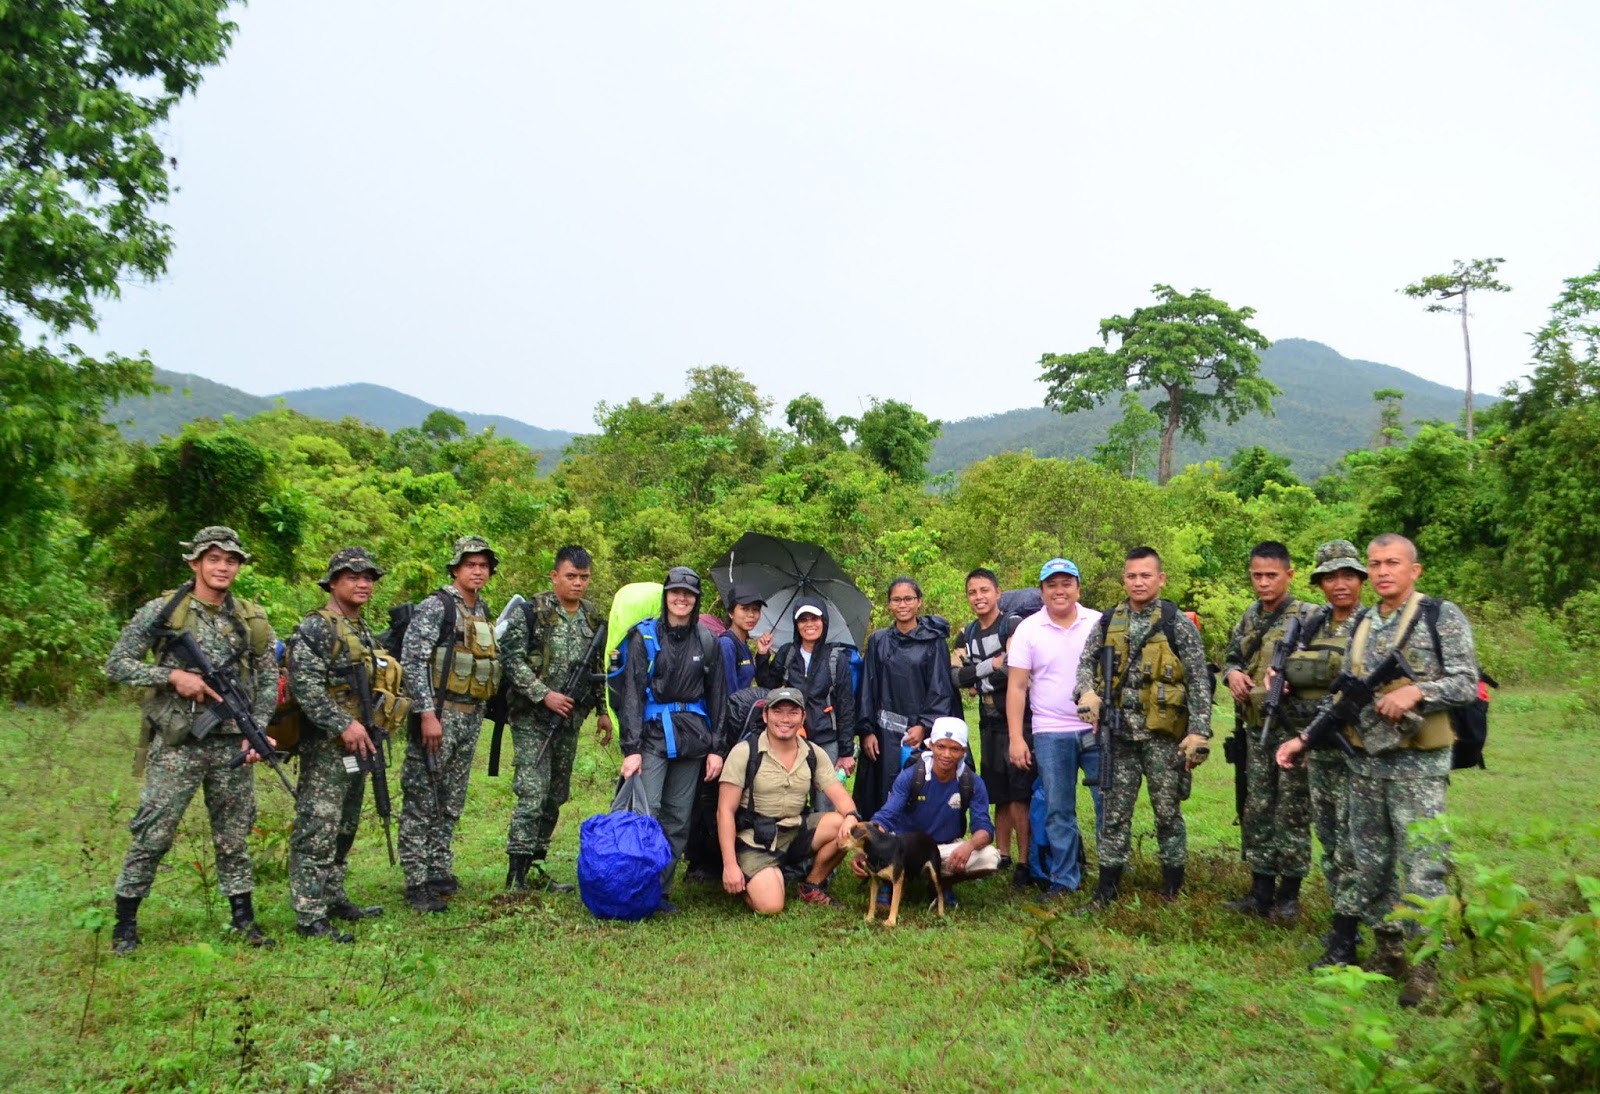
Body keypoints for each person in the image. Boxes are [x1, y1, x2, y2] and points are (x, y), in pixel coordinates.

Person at [1279, 534, 1479, 1006]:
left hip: (1418, 768)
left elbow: (1467, 681)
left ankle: (1427, 968)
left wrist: (1418, 693)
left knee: (1423, 866)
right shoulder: (1364, 623)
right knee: (1372, 866)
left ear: (1415, 570)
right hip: (1365, 764)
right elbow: (1344, 693)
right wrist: (1305, 738)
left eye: (1393, 563)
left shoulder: (1439, 616)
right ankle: (1389, 950)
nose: (1384, 571)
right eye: (1377, 563)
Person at [105, 526, 279, 955]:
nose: (223, 567)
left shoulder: (251, 618)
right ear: (195, 562)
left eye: (231, 560)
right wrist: (171, 676)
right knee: (155, 831)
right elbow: (117, 663)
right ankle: (125, 921)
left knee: (234, 835)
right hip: (179, 741)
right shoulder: (165, 610)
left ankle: (243, 919)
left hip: (232, 742)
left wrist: (256, 732)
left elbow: (268, 676)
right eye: (214, 558)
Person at [1074, 547, 1213, 907]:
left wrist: (1199, 731)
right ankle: (1107, 888)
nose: (1138, 582)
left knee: (1167, 812)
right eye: (1132, 576)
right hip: (1119, 736)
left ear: (1160, 579)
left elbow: (1199, 680)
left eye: (1146, 575)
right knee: (1114, 814)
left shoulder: (1176, 623)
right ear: (1124, 579)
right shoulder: (1107, 621)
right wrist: (1087, 693)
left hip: (1164, 738)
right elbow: (1085, 666)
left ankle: (1172, 886)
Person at [286, 547, 396, 942]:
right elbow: (305, 685)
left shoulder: (361, 628)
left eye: (368, 577)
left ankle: (333, 896)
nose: (363, 583)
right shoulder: (317, 628)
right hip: (327, 745)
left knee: (346, 823)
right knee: (318, 826)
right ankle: (309, 913)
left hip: (361, 741)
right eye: (353, 576)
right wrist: (341, 724)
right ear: (333, 582)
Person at [498, 544, 612, 893]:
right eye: (571, 577)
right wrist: (543, 694)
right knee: (533, 791)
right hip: (533, 718)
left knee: (556, 794)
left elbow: (597, 670)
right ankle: (516, 872)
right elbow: (511, 659)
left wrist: (603, 712)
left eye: (584, 577)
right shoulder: (533, 611)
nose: (578, 584)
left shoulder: (592, 617)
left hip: (570, 720)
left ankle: (537, 863)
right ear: (554, 576)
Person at [398, 535, 502, 913]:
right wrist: (426, 713)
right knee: (422, 798)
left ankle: (439, 869)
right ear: (456, 569)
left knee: (451, 799)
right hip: (439, 716)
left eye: (483, 566)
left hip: (470, 716)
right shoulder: (437, 607)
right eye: (470, 565)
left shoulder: (483, 610)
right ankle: (416, 880)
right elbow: (413, 661)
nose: (478, 571)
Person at [1220, 541, 1322, 920]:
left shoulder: (1311, 616)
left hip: (1294, 730)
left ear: (1289, 575)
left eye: (1271, 576)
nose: (1263, 583)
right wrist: (1232, 674)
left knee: (1292, 810)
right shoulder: (1250, 616)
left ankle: (1289, 896)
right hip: (1255, 727)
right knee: (1257, 807)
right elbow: (1232, 657)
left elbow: (1325, 668)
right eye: (1256, 576)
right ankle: (1260, 892)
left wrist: (1294, 676)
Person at [617, 567, 729, 906]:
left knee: (679, 818)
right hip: (651, 737)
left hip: (693, 740)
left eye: (689, 594)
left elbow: (718, 697)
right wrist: (631, 748)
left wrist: (717, 748)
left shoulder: (707, 641)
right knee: (647, 812)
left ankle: (660, 890)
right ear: (666, 596)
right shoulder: (644, 637)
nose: (681, 598)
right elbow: (632, 694)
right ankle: (635, 886)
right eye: (675, 592)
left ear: (696, 601)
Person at [1282, 540, 1369, 936]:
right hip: (1318, 750)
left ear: (1360, 579)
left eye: (1348, 576)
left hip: (1358, 751)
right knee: (1331, 840)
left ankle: (1361, 925)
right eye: (1331, 577)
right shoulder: (1313, 625)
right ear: (1319, 583)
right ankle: (1343, 917)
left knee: (1359, 843)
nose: (1340, 584)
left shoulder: (1373, 625)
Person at [1005, 558, 1104, 899]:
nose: (1059, 591)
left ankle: (1109, 874)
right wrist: (1017, 738)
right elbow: (1017, 687)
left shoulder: (1099, 623)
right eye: (1052, 585)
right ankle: (1064, 879)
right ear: (1042, 590)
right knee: (1058, 809)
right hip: (1049, 732)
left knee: (1106, 801)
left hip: (1096, 730)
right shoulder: (1028, 630)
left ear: (1078, 587)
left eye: (1066, 583)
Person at [717, 687, 859, 913]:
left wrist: (852, 818)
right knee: (771, 906)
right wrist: (730, 865)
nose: (785, 719)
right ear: (765, 716)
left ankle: (812, 885)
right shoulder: (744, 752)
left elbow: (840, 797)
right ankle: (750, 877)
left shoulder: (813, 752)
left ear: (803, 717)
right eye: (778, 712)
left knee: (843, 826)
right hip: (756, 839)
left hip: (795, 829)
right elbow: (725, 810)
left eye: (793, 713)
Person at [855, 717, 999, 908]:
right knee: (885, 843)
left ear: (963, 751)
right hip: (906, 849)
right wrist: (867, 846)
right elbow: (886, 816)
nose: (946, 754)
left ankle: (941, 885)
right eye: (941, 747)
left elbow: (984, 828)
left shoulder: (971, 782)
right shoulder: (912, 776)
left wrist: (970, 845)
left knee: (989, 857)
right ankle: (889, 883)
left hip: (944, 848)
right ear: (930, 745)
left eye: (954, 749)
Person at [952, 568, 1033, 890]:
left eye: (985, 590)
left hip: (1018, 719)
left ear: (998, 593)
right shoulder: (966, 633)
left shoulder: (1011, 625)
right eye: (972, 592)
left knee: (1020, 793)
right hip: (987, 721)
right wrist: (990, 668)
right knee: (996, 791)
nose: (979, 597)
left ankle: (1025, 862)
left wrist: (979, 680)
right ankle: (1003, 854)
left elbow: (1015, 670)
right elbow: (956, 677)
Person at [855, 577, 959, 821]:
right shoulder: (879, 641)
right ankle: (882, 843)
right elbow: (867, 687)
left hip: (918, 731)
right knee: (883, 790)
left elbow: (940, 688)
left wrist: (924, 726)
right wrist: (867, 730)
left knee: (919, 788)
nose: (902, 604)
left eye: (908, 599)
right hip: (883, 732)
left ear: (919, 602)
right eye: (896, 599)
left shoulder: (934, 641)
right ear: (889, 604)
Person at [758, 600, 858, 810]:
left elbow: (846, 706)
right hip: (791, 739)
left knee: (825, 803)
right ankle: (797, 842)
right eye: (803, 619)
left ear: (824, 622)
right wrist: (763, 655)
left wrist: (846, 752)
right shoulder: (787, 654)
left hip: (827, 740)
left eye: (815, 618)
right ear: (796, 624)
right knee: (792, 802)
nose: (809, 624)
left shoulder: (836, 659)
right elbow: (769, 686)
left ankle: (824, 842)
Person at [719, 583, 772, 694]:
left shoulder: (743, 644)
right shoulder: (726, 644)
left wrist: (762, 654)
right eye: (744, 608)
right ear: (731, 613)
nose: (751, 615)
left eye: (756, 609)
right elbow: (729, 692)